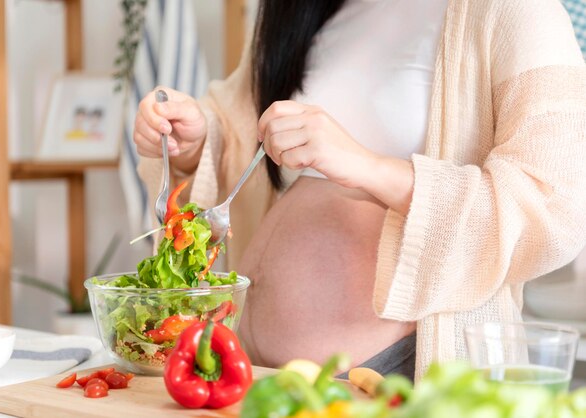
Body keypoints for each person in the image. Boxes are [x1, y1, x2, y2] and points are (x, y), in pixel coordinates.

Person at [134, 0, 586, 380]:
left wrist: (366, 166)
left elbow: (556, 206)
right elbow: (236, 135)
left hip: (395, 373)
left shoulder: (515, 9)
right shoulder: (306, 11)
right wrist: (192, 143)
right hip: (253, 368)